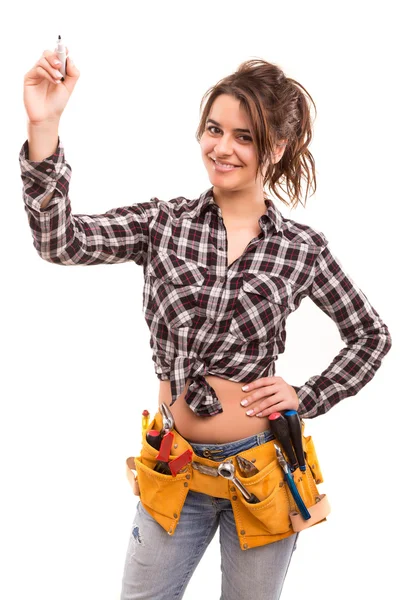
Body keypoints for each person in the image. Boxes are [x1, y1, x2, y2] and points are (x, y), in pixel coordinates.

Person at [20, 48, 392, 600]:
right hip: (174, 470)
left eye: (245, 137)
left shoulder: (301, 250)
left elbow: (372, 335)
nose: (222, 148)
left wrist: (304, 395)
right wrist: (43, 125)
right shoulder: (162, 224)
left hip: (261, 476)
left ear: (277, 148)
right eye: (214, 129)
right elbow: (60, 242)